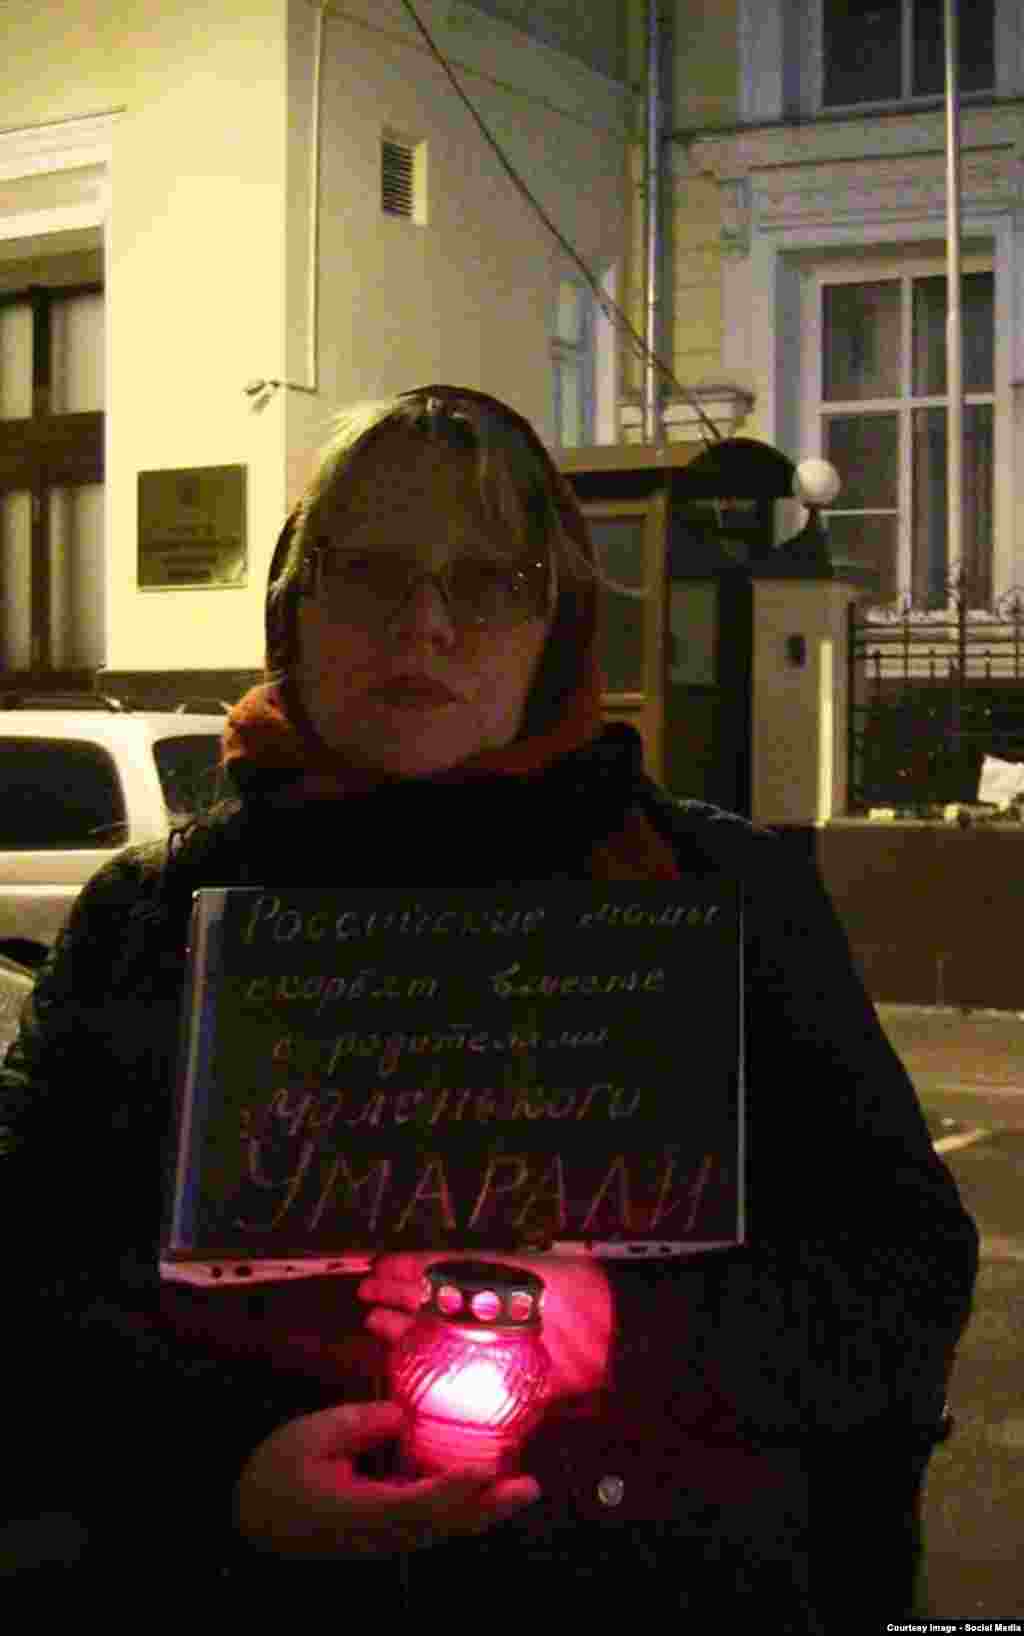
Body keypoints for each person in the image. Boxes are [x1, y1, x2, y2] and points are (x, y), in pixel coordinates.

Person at [0, 385, 978, 1625]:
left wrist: (625, 1324)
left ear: (555, 620)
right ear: (293, 606)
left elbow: (899, 1272)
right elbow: (26, 1283)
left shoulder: (721, 896)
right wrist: (211, 1479)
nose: (425, 625)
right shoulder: (151, 922)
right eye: (369, 574)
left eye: (487, 581)